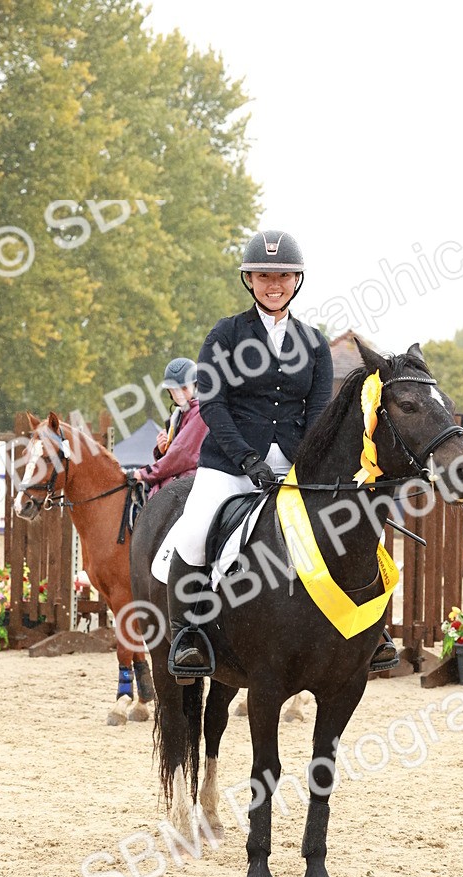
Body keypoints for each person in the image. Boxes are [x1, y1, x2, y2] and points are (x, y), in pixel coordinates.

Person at [165, 228, 398, 677]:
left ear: (297, 281)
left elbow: (319, 412)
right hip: (230, 464)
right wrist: (246, 460)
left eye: (284, 275)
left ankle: (373, 633)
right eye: (264, 275)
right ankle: (187, 634)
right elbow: (213, 404)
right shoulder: (226, 334)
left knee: (363, 532)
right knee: (193, 533)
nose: (275, 283)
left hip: (295, 465)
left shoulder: (314, 342)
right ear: (248, 281)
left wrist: (304, 464)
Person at [135, 358, 207, 495]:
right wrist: (162, 451)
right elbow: (174, 456)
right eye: (174, 390)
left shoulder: (200, 412)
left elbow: (181, 454)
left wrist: (145, 473)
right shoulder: (178, 415)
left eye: (184, 388)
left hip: (195, 482)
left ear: (196, 387)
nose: (178, 394)